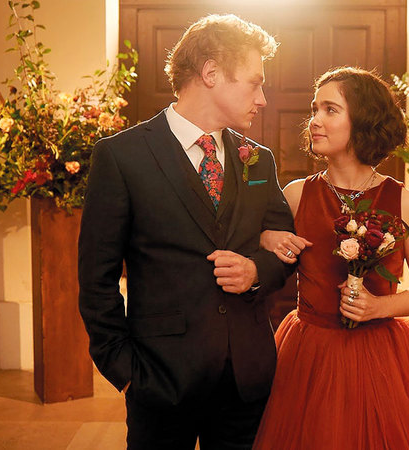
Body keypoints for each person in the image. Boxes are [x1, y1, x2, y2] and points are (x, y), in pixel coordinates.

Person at [78, 14, 295, 450]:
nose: (263, 98)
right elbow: (96, 277)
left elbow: (285, 245)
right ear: (211, 73)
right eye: (255, 83)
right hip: (160, 377)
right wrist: (124, 370)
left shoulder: (258, 159)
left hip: (245, 378)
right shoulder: (121, 156)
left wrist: (256, 270)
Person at [253, 67, 409, 449]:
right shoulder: (296, 195)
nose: (314, 121)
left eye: (330, 110)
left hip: (381, 355)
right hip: (309, 351)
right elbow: (261, 256)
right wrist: (265, 237)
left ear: (363, 121)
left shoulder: (405, 202)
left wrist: (378, 307)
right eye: (314, 109)